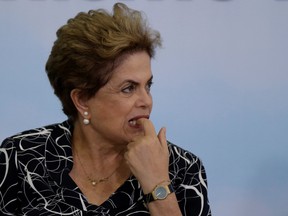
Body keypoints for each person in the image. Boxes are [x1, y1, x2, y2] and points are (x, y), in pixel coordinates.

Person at [0, 3, 211, 216]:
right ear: (82, 100)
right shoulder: (21, 157)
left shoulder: (183, 169)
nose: (146, 100)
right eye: (128, 88)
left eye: (148, 85)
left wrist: (157, 183)